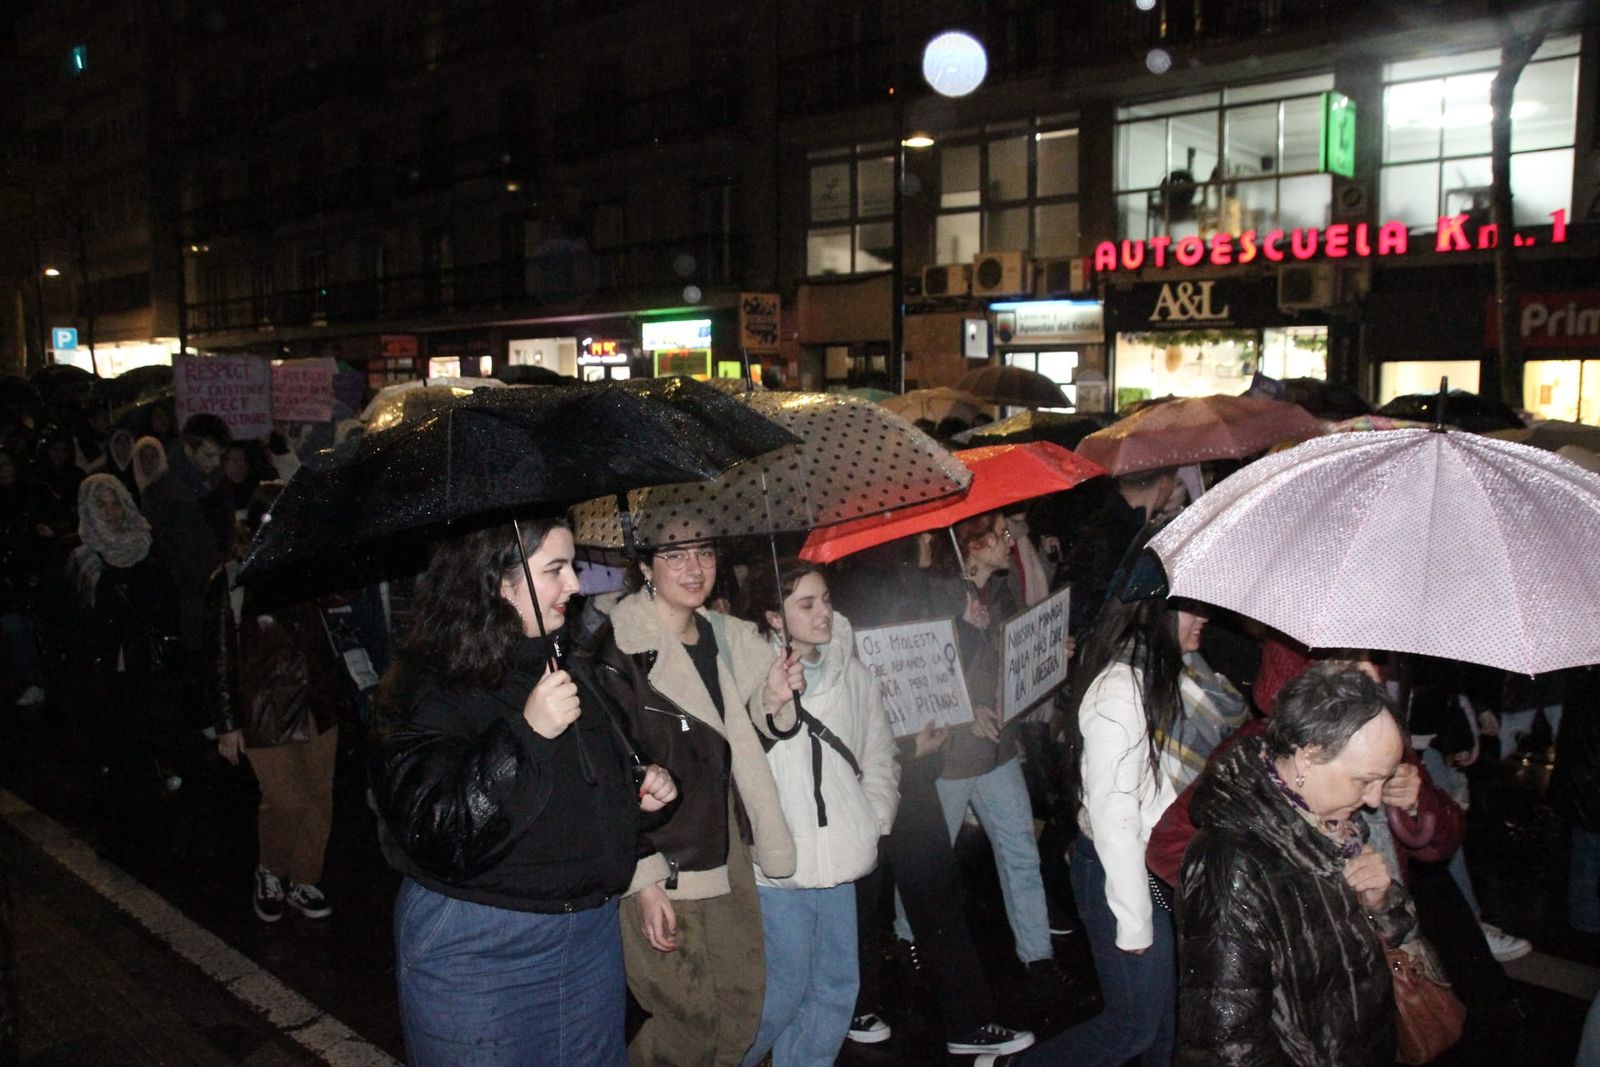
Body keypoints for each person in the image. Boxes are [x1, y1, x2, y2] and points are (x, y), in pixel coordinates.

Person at [370, 518, 677, 1065]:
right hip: (482, 946)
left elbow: (579, 784)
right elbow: (437, 831)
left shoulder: (564, 659)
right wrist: (527, 734)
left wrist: (637, 795)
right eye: (554, 570)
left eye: (572, 567)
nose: (576, 585)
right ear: (496, 583)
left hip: (586, 938)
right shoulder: (430, 685)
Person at [979, 558, 1225, 1067]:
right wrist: (1133, 921)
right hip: (1120, 870)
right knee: (1131, 1027)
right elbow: (1115, 818)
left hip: (1157, 864)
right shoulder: (1120, 690)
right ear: (1155, 611)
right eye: (1189, 607)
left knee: (1164, 1026)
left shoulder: (1173, 674)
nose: (1203, 616)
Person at [585, 538, 801, 1067]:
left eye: (704, 553)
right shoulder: (619, 651)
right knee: (689, 1021)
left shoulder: (726, 639)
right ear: (644, 567)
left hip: (724, 844)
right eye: (675, 555)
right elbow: (609, 773)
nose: (694, 568)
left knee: (741, 1010)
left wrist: (772, 699)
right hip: (662, 851)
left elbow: (730, 747)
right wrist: (642, 879)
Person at [1176, 664, 1415, 1066]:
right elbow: (1228, 1047)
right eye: (1364, 780)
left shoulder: (1331, 820)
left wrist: (1381, 902)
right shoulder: (1232, 865)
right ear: (1307, 758)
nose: (1375, 800)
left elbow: (1389, 938)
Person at [737, 562, 900, 1067]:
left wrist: (872, 817)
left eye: (825, 598)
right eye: (806, 604)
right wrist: (771, 696)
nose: (824, 611)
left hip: (841, 856)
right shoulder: (748, 670)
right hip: (781, 864)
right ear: (774, 616)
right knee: (782, 994)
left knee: (834, 988)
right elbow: (742, 755)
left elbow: (878, 749)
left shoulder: (852, 672)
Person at [927, 511, 1079, 999]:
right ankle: (913, 947)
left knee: (1020, 851)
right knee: (931, 860)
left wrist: (1052, 654)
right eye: (997, 535)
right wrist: (964, 714)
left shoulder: (1004, 592)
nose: (1007, 540)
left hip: (997, 749)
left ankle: (1038, 956)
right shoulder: (941, 599)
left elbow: (1014, 663)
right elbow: (924, 675)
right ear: (971, 545)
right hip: (952, 754)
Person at [202, 484, 345, 924]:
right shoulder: (231, 579)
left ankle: (304, 878)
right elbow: (220, 655)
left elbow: (345, 598)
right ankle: (270, 870)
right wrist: (227, 723)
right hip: (265, 708)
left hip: (316, 701)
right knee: (285, 799)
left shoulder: (308, 569)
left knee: (319, 799)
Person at [68, 473, 181, 870]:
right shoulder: (84, 559)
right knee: (121, 761)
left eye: (116, 502)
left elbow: (168, 606)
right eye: (102, 505)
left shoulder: (147, 547)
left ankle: (151, 838)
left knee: (150, 754)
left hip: (147, 669)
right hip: (107, 677)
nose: (112, 512)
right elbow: (73, 626)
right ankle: (122, 839)